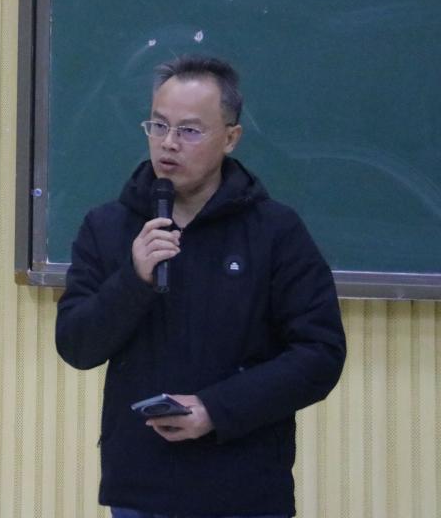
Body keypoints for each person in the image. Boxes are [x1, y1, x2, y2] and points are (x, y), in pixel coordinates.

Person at [54, 55, 346, 518]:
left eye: (189, 130)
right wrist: (133, 279)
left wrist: (216, 409)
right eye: (158, 126)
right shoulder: (108, 227)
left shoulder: (274, 231)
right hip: (141, 489)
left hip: (244, 488)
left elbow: (320, 353)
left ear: (231, 138)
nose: (168, 143)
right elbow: (76, 345)